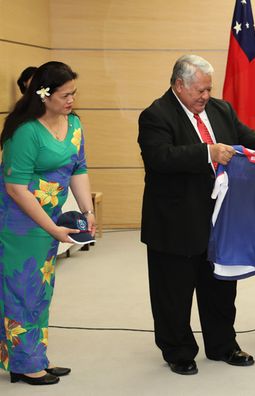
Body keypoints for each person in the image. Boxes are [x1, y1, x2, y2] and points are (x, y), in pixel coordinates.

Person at [138, 54, 255, 376]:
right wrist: (208, 151)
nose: (205, 96)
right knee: (173, 292)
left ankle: (223, 345)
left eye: (208, 89)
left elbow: (244, 136)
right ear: (179, 85)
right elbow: (160, 158)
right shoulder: (156, 115)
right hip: (174, 222)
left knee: (219, 286)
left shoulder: (220, 109)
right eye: (199, 90)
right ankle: (178, 351)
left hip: (219, 218)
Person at [0, 61, 96, 385]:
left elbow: (78, 167)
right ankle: (23, 364)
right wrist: (52, 228)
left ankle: (34, 357)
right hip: (20, 225)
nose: (71, 100)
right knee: (21, 291)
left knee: (41, 291)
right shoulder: (25, 132)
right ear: (44, 94)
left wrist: (88, 210)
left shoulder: (74, 124)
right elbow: (15, 188)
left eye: (74, 93)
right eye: (65, 94)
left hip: (49, 221)